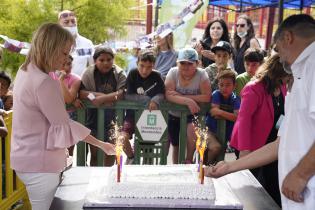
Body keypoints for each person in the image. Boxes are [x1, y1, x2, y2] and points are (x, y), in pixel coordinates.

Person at [206, 14, 315, 209]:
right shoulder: (300, 72)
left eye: (278, 48)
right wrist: (230, 167)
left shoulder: (312, 67)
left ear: (288, 37)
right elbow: (280, 143)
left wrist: (300, 174)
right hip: (299, 192)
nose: (278, 56)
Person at [10, 23, 116, 210]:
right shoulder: (44, 82)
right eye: (64, 53)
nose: (66, 59)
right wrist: (102, 144)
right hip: (40, 165)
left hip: (24, 158)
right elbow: (64, 125)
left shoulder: (25, 70)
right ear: (50, 48)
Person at [80, 46, 126, 166]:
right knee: (94, 153)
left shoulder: (119, 73)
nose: (106, 63)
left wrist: (103, 99)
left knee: (110, 152)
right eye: (101, 60)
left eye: (109, 59)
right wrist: (97, 96)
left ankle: (108, 177)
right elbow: (82, 93)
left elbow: (121, 93)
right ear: (95, 60)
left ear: (113, 60)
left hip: (113, 120)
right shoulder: (88, 73)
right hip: (93, 119)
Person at [165, 48, 211, 164]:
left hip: (193, 114)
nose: (186, 66)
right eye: (182, 63)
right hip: (173, 114)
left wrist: (180, 96)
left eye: (190, 63)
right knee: (176, 144)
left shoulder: (202, 74)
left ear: (197, 64)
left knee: (192, 131)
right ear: (177, 63)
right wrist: (188, 101)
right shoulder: (173, 72)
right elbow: (168, 95)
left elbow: (206, 97)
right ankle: (176, 167)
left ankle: (189, 160)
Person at [120, 50, 165, 164]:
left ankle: (147, 168)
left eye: (149, 67)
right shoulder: (132, 73)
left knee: (148, 150)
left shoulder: (157, 75)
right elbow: (128, 95)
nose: (145, 70)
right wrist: (146, 100)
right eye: (142, 66)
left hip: (149, 119)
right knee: (122, 138)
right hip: (131, 115)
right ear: (137, 63)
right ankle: (131, 157)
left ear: (153, 66)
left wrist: (155, 100)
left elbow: (162, 93)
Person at [50, 55, 82, 156]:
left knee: (68, 149)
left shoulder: (76, 79)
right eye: (63, 64)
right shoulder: (49, 76)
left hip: (69, 116)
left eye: (68, 64)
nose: (66, 67)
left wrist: (61, 80)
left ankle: (68, 170)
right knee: (54, 148)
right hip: (52, 117)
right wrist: (72, 100)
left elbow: (68, 99)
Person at [205, 70, 240, 164]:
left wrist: (220, 112)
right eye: (221, 85)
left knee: (220, 157)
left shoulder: (235, 98)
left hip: (224, 134)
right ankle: (204, 168)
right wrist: (229, 115)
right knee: (215, 148)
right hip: (209, 131)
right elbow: (214, 113)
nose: (224, 88)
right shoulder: (216, 94)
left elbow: (237, 117)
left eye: (228, 85)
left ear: (234, 86)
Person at [58, 10, 94, 77]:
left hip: (81, 85)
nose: (71, 24)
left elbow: (93, 67)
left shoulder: (87, 43)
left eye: (73, 21)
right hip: (59, 85)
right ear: (60, 25)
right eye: (66, 22)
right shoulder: (54, 44)